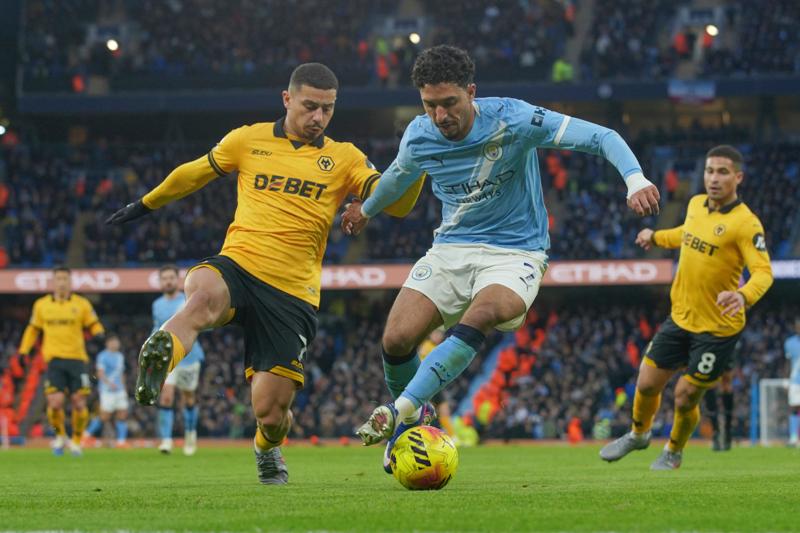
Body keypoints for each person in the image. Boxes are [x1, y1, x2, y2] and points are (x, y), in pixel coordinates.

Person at [340, 45, 660, 469]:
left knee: (484, 311)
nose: (440, 115)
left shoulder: (515, 118)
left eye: (449, 103)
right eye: (430, 105)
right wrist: (366, 210)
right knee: (396, 339)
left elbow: (602, 137)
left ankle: (399, 414)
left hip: (516, 252)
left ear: (471, 92)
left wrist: (635, 179)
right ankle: (414, 420)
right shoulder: (419, 135)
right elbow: (397, 177)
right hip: (452, 248)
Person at [106, 63, 422, 484]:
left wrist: (416, 163)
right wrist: (145, 204)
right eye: (310, 106)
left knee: (271, 414)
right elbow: (193, 173)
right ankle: (161, 357)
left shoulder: (345, 157)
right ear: (287, 99)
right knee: (201, 296)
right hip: (238, 264)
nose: (318, 117)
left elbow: (397, 204)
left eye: (327, 109)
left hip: (292, 294)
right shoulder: (248, 139)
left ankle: (266, 447)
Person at [600, 145, 773, 469]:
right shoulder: (695, 204)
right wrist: (656, 237)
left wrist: (744, 296)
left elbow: (764, 272)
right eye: (710, 171)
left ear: (738, 177)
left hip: (717, 331)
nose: (714, 178)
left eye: (723, 172)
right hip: (680, 318)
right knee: (647, 383)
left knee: (684, 396)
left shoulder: (746, 224)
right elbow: (686, 234)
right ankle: (638, 434)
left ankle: (673, 451)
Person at [16, 266, 105, 456]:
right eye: (59, 279)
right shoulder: (42, 305)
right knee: (54, 403)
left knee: (79, 403)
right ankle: (60, 436)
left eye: (65, 279)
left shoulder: (82, 304)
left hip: (77, 360)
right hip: (54, 360)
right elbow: (33, 329)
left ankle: (77, 441)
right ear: (53, 282)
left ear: (70, 282)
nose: (62, 283)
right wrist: (23, 351)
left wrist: (99, 333)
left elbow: (93, 323)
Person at [152, 265, 205, 456]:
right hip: (168, 358)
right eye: (164, 278)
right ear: (160, 282)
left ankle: (190, 433)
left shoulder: (187, 300)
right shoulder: (157, 304)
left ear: (177, 280)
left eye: (171, 278)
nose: (168, 281)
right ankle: (166, 440)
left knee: (188, 397)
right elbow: (157, 328)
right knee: (166, 396)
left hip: (189, 356)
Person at [94, 334, 129, 448]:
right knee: (105, 416)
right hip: (107, 390)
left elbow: (121, 374)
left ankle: (121, 441)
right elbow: (100, 373)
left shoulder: (120, 356)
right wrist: (109, 384)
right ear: (107, 343)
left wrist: (124, 388)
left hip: (120, 390)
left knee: (122, 414)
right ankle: (87, 435)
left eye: (116, 341)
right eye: (112, 342)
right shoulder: (102, 356)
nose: (115, 344)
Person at [785, 318, 800, 447]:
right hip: (795, 381)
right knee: (794, 407)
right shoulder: (789, 343)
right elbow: (787, 363)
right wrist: (786, 380)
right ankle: (794, 437)